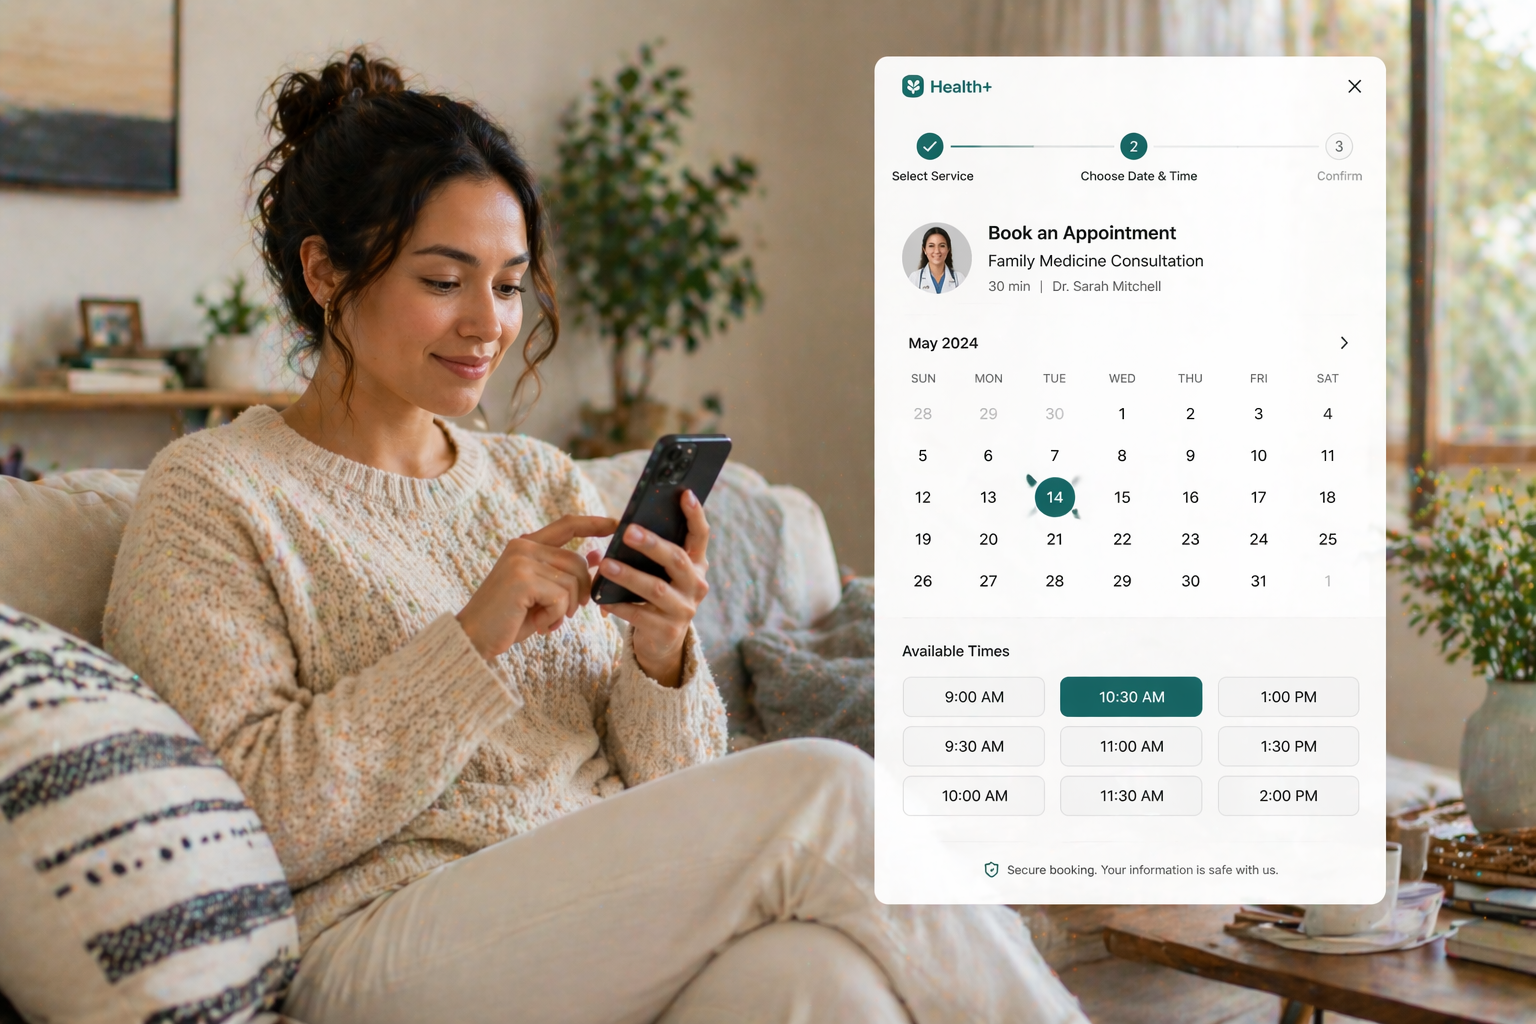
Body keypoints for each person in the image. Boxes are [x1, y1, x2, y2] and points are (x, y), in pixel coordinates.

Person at [103, 51, 1086, 1024]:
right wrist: (471, 640)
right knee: (826, 790)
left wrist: (661, 655)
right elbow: (250, 822)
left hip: (596, 918)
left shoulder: (536, 479)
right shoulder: (213, 493)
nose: (487, 324)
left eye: (508, 286)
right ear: (324, 271)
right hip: (382, 940)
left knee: (821, 979)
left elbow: (680, 795)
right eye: (444, 279)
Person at [909, 225, 965, 293]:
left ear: (948, 249)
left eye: (942, 246)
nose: (937, 251)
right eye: (931, 246)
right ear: (924, 250)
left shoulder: (959, 279)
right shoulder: (915, 278)